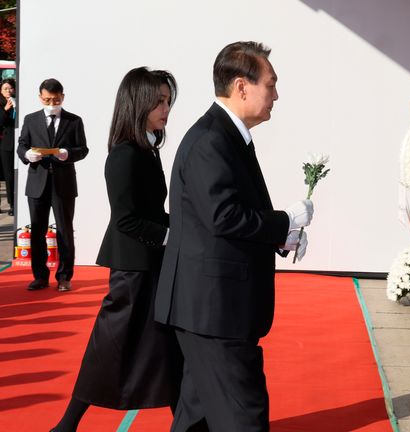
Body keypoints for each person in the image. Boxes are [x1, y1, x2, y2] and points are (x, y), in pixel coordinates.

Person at [154, 41, 312, 431]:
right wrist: (283, 221)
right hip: (213, 311)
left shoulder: (227, 134)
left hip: (210, 307)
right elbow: (224, 216)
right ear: (242, 86)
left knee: (197, 416)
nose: (276, 94)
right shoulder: (212, 139)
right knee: (244, 417)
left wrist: (282, 237)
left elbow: (222, 217)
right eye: (270, 85)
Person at [50, 67, 183, 432]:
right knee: (110, 348)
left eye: (168, 100)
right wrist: (176, 235)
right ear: (138, 103)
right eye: (158, 101)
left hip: (150, 265)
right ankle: (67, 424)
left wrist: (182, 225)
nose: (165, 108)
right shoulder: (124, 155)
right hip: (132, 270)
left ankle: (186, 422)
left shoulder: (147, 148)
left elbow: (152, 212)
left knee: (164, 347)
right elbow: (127, 221)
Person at [17, 78, 88, 292]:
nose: (51, 103)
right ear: (40, 97)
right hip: (37, 181)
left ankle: (64, 277)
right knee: (37, 230)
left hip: (63, 182)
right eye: (47, 99)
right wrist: (28, 155)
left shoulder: (74, 121)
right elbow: (22, 145)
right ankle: (40, 276)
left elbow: (83, 149)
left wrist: (68, 154)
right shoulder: (31, 119)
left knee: (64, 230)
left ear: (62, 97)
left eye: (56, 99)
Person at [0, 78, 16, 215]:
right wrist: (5, 110)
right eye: (5, 88)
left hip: (19, 142)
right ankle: (12, 204)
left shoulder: (19, 101)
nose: (8, 91)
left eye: (10, 88)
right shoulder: (1, 104)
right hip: (6, 144)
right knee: (9, 176)